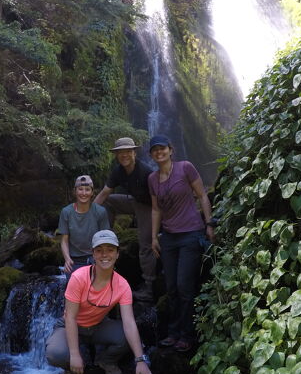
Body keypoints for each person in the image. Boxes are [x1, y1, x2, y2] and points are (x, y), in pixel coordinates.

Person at [45, 229, 155, 374]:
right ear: (93, 254)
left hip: (98, 326)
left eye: (110, 250)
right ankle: (69, 369)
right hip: (70, 325)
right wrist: (75, 355)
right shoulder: (78, 277)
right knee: (55, 353)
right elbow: (70, 317)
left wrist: (140, 360)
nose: (105, 255)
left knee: (126, 336)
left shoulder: (122, 285)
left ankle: (106, 361)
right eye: (99, 250)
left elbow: (129, 322)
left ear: (117, 254)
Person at [148, 134, 215, 353]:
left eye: (162, 148)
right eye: (155, 150)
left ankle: (187, 335)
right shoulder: (152, 179)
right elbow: (156, 209)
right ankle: (173, 332)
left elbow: (202, 195)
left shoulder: (185, 168)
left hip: (190, 234)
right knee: (171, 288)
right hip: (168, 238)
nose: (159, 152)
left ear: (171, 149)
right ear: (151, 154)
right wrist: (153, 237)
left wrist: (209, 223)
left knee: (184, 286)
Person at [94, 137, 156, 303]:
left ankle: (149, 287)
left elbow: (157, 199)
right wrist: (87, 213)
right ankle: (105, 237)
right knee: (109, 201)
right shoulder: (118, 171)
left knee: (145, 244)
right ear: (116, 155)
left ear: (134, 152)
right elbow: (104, 193)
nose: (124, 155)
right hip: (133, 201)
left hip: (149, 206)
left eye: (128, 151)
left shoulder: (146, 172)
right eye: (120, 152)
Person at [58, 175, 110, 274]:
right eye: (80, 189)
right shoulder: (66, 212)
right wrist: (67, 259)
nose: (84, 193)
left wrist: (103, 260)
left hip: (96, 257)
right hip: (74, 260)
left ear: (92, 192)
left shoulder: (100, 212)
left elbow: (105, 239)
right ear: (75, 191)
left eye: (87, 189)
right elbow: (64, 240)